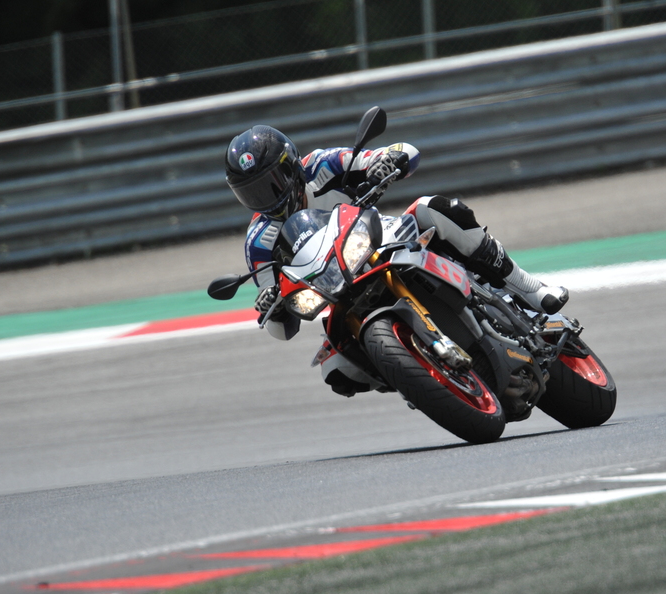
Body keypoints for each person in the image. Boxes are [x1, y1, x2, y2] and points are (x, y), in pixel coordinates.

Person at [224, 124, 569, 396]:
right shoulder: (259, 243)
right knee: (338, 371)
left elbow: (404, 150)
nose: (264, 199)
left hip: (383, 242)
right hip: (337, 293)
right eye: (250, 193)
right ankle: (421, 378)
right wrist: (271, 305)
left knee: (433, 209)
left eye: (270, 185)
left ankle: (529, 288)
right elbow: (280, 328)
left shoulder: (320, 165)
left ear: (290, 167)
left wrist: (387, 161)